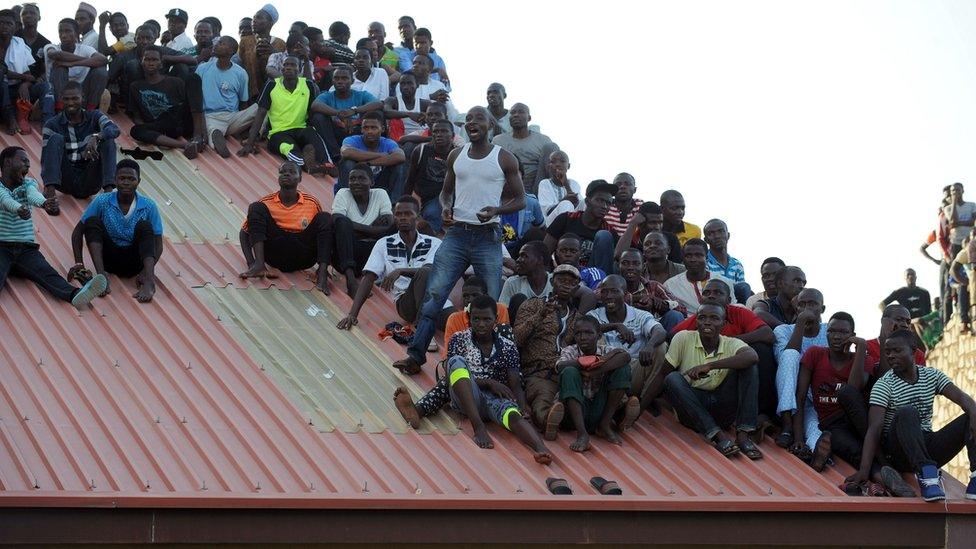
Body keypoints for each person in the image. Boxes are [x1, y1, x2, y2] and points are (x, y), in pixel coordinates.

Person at [390, 106, 525, 376]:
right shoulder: (456, 155)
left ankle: (495, 365)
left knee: (492, 302)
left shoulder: (504, 158)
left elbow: (520, 199)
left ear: (491, 126)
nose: (473, 122)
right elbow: (445, 193)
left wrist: (496, 211)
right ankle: (415, 356)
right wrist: (445, 208)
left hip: (488, 235)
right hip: (457, 234)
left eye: (479, 119)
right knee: (434, 295)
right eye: (469, 119)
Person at [847, 330, 976, 502]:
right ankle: (926, 475)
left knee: (971, 413)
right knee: (908, 411)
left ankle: (975, 477)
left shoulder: (932, 376)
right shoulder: (884, 385)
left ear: (913, 351)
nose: (891, 356)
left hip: (927, 445)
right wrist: (864, 470)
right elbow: (874, 429)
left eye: (897, 351)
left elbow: (962, 398)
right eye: (887, 352)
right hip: (899, 452)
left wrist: (973, 414)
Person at [432, 294, 555, 463]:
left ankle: (541, 449)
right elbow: (453, 375)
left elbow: (515, 382)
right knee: (455, 361)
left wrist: (521, 406)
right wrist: (489, 382)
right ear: (469, 318)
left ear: (495, 319)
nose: (481, 324)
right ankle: (478, 427)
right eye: (476, 319)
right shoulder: (458, 339)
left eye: (486, 319)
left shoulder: (507, 345)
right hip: (467, 398)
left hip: (494, 399)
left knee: (513, 415)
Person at [0, 146, 106, 309]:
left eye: (29, 163)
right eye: (23, 161)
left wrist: (44, 203)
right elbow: (5, 200)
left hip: (26, 250)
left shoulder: (28, 183)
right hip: (2, 247)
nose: (28, 166)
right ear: (7, 162)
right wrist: (18, 208)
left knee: (48, 274)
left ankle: (76, 295)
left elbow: (33, 195)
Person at [662, 303, 763, 459]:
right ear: (696, 322)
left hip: (723, 407)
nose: (707, 322)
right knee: (673, 378)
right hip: (693, 410)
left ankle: (743, 435)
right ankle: (718, 437)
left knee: (749, 367)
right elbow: (664, 374)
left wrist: (709, 366)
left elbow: (752, 356)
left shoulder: (730, 343)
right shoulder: (683, 337)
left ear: (724, 324)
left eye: (714, 318)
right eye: (702, 318)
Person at [669, 279, 777, 420]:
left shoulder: (739, 313)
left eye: (717, 293)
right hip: (702, 382)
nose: (711, 296)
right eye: (706, 293)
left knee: (760, 350)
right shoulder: (700, 319)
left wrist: (729, 342)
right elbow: (671, 336)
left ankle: (761, 414)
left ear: (729, 299)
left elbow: (768, 334)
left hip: (733, 378)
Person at [337, 195, 444, 330]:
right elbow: (368, 278)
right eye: (398, 214)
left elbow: (433, 271)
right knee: (423, 272)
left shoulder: (434, 243)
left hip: (434, 299)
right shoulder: (384, 244)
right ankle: (422, 329)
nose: (403, 217)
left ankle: (427, 325)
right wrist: (352, 314)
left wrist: (401, 271)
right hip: (406, 303)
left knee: (458, 322)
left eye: (408, 214)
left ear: (418, 216)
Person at [69, 159, 162, 302]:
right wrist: (79, 264)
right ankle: (101, 277)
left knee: (145, 226)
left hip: (135, 262)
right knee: (92, 222)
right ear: (115, 179)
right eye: (122, 178)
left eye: (131, 179)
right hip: (109, 260)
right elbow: (77, 232)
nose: (126, 182)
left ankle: (149, 282)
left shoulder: (149, 206)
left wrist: (144, 272)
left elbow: (158, 245)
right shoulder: (102, 201)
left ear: (139, 181)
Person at [513, 263, 590, 437]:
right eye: (561, 280)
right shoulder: (532, 305)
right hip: (539, 372)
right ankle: (548, 421)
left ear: (576, 288)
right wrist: (541, 314)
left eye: (571, 283)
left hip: (566, 370)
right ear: (552, 281)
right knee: (543, 399)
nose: (565, 285)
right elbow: (516, 338)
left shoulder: (577, 317)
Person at [792, 312, 874, 472]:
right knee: (855, 451)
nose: (836, 336)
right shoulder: (815, 354)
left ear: (853, 336)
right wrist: (798, 438)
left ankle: (881, 468)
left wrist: (861, 349)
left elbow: (852, 391)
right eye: (831, 331)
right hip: (831, 425)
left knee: (863, 446)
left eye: (843, 332)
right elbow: (800, 397)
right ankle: (882, 473)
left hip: (856, 421)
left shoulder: (865, 360)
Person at [238, 160, 333, 294]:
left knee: (325, 217)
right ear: (278, 177)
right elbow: (244, 233)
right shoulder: (266, 202)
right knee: (256, 207)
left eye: (291, 172)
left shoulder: (311, 203)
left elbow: (324, 234)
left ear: (300, 178)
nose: (286, 175)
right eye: (283, 172)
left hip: (303, 254)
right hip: (276, 253)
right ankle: (259, 265)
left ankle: (322, 275)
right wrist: (251, 262)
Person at [588, 275, 666, 422]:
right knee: (595, 336)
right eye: (605, 292)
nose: (609, 296)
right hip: (606, 374)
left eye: (614, 291)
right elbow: (586, 329)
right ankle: (621, 404)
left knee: (660, 346)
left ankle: (642, 400)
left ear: (625, 295)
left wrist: (649, 346)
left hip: (635, 371)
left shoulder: (639, 315)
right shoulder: (594, 315)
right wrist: (616, 326)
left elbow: (660, 331)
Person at [238, 56, 331, 173]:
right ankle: (305, 162)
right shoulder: (272, 85)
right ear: (281, 69)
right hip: (278, 133)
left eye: (292, 65)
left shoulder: (308, 85)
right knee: (287, 148)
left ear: (300, 68)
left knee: (312, 134)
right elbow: (261, 114)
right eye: (286, 65)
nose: (288, 68)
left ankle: (327, 164)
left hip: (300, 129)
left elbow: (312, 111)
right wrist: (250, 143)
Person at [556, 315, 634, 452]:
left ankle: (604, 425)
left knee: (623, 369)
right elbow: (560, 366)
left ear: (598, 335)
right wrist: (585, 362)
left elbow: (625, 356)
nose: (583, 337)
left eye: (588, 333)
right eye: (578, 333)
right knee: (569, 372)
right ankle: (582, 434)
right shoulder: (570, 350)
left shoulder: (605, 350)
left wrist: (597, 368)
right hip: (577, 411)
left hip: (600, 408)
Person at [40, 82, 118, 201]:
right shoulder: (51, 124)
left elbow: (114, 129)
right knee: (56, 138)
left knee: (108, 140)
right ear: (61, 99)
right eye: (66, 99)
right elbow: (45, 159)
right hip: (65, 180)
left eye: (75, 98)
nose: (70, 103)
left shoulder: (95, 116)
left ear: (83, 97)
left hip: (90, 178)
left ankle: (109, 194)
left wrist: (97, 137)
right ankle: (50, 193)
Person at [773, 288, 827, 450]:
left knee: (816, 437)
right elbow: (784, 362)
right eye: (802, 305)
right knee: (790, 355)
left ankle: (811, 451)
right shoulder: (783, 330)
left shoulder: (830, 330)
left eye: (812, 304)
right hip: (793, 394)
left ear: (822, 309)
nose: (806, 308)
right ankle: (787, 424)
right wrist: (800, 324)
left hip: (817, 397)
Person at [128, 47, 205, 158]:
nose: (150, 63)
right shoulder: (135, 86)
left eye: (155, 60)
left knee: (193, 78)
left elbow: (191, 105)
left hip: (180, 119)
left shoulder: (175, 82)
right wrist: (148, 130)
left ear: (161, 64)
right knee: (135, 130)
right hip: (161, 125)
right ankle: (184, 145)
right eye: (147, 59)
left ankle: (198, 136)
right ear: (142, 62)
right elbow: (137, 117)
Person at [331, 164, 394, 295]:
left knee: (397, 226)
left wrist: (351, 232)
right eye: (352, 179)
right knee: (341, 222)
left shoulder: (380, 194)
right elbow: (337, 222)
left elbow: (389, 226)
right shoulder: (343, 193)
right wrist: (373, 228)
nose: (356, 182)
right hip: (344, 257)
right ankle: (351, 281)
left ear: (372, 182)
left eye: (361, 178)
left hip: (370, 256)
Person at [196, 35, 256, 158]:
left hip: (233, 116)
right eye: (217, 42)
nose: (216, 45)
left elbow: (243, 101)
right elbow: (196, 99)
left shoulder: (240, 73)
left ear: (231, 51)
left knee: (262, 108)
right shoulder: (202, 69)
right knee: (214, 133)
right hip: (211, 116)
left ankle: (254, 136)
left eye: (222, 43)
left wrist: (243, 120)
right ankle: (219, 141)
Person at [312, 65, 383, 167]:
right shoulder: (327, 95)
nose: (340, 81)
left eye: (344, 78)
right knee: (318, 117)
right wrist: (338, 113)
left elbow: (378, 104)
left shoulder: (361, 95)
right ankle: (336, 155)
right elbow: (315, 105)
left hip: (356, 131)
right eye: (336, 78)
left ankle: (369, 154)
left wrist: (354, 111)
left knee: (377, 114)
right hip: (335, 133)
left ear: (352, 81)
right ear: (332, 80)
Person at [544, 180, 617, 275]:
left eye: (608, 203)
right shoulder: (566, 219)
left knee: (604, 236)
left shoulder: (608, 230)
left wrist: (633, 223)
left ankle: (601, 285)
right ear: (587, 201)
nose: (604, 206)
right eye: (600, 200)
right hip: (561, 273)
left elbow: (621, 256)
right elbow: (544, 252)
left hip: (591, 277)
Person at [0, 8, 51, 133]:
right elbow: (3, 70)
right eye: (1, 22)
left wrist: (24, 84)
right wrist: (24, 77)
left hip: (16, 90)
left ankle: (48, 125)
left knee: (46, 86)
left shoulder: (19, 43)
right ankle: (11, 119)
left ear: (16, 27)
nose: (4, 26)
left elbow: (29, 75)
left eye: (9, 23)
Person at [335, 111, 405, 198]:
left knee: (400, 165)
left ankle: (394, 203)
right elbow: (346, 152)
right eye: (366, 128)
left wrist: (368, 163)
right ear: (361, 129)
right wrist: (382, 155)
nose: (369, 131)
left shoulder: (388, 143)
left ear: (382, 129)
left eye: (373, 128)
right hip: (356, 184)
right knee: (347, 162)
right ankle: (347, 199)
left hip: (379, 183)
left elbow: (400, 156)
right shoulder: (352, 140)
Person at [43, 18, 108, 112]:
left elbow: (103, 60)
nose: (63, 35)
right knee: (61, 68)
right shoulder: (51, 47)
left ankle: (90, 111)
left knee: (101, 71)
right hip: (59, 94)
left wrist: (73, 63)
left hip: (80, 93)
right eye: (60, 31)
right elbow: (57, 55)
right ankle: (60, 111)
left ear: (77, 33)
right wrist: (90, 61)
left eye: (68, 31)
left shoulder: (85, 49)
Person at [491, 103, 557, 195]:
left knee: (551, 147)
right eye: (513, 113)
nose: (516, 115)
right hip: (508, 184)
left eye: (521, 112)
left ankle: (551, 196)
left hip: (536, 185)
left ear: (529, 118)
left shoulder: (543, 140)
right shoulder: (498, 140)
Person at [617, 248, 685, 332]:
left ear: (643, 266)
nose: (630, 267)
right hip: (619, 332)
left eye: (636, 263)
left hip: (653, 333)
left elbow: (682, 309)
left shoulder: (653, 286)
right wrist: (638, 298)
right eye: (625, 263)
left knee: (675, 315)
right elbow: (600, 300)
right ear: (618, 266)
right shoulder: (609, 284)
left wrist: (659, 303)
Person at [404, 118, 453, 234]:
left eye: (444, 131)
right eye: (435, 131)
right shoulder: (420, 151)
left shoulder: (457, 154)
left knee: (433, 212)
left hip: (446, 197)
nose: (439, 134)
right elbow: (410, 180)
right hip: (424, 197)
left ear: (453, 135)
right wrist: (405, 202)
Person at [663, 239, 736, 313]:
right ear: (683, 259)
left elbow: (732, 308)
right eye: (688, 256)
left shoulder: (724, 282)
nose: (693, 259)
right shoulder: (670, 285)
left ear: (707, 258)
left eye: (698, 255)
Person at [238, 5, 285, 99]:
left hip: (274, 94)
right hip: (249, 94)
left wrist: (274, 53)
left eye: (259, 18)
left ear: (270, 23)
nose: (254, 21)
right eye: (254, 18)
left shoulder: (280, 43)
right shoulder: (245, 41)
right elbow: (238, 63)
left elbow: (286, 67)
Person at [613, 202, 683, 265]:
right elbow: (619, 256)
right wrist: (632, 224)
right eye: (653, 223)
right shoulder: (631, 239)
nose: (657, 227)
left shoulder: (670, 239)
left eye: (660, 222)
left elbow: (678, 268)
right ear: (641, 224)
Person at [867, 304, 927, 375]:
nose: (905, 325)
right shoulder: (867, 347)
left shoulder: (916, 354)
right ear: (884, 321)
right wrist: (885, 338)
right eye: (898, 319)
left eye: (908, 322)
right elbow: (880, 380)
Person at [703, 218, 751, 304]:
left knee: (745, 287)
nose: (717, 236)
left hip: (733, 303)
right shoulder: (704, 262)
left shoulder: (737, 265)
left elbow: (742, 290)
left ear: (728, 235)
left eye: (721, 231)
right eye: (711, 233)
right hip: (712, 303)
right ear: (706, 240)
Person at [383, 72, 427, 145]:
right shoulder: (392, 101)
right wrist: (409, 114)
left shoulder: (424, 104)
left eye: (409, 83)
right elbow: (387, 112)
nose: (406, 87)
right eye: (402, 84)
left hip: (420, 140)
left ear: (417, 85)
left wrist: (426, 117)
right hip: (398, 141)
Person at [536, 150, 580, 220]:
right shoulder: (544, 184)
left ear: (568, 166)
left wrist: (565, 184)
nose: (557, 164)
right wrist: (564, 200)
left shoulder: (574, 183)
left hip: (573, 221)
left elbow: (578, 206)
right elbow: (547, 212)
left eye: (562, 161)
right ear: (549, 166)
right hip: (551, 223)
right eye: (553, 162)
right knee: (566, 204)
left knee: (587, 202)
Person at [16, 4, 50, 85]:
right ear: (20, 18)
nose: (28, 15)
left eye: (32, 13)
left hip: (34, 84)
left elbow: (47, 69)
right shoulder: (13, 38)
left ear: (39, 17)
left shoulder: (45, 43)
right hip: (14, 82)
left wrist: (41, 78)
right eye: (24, 13)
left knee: (45, 87)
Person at [604, 173, 643, 237]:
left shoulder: (641, 206)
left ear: (634, 190)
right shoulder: (605, 205)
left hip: (635, 245)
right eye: (618, 184)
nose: (622, 187)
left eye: (627, 184)